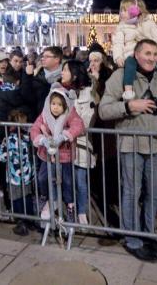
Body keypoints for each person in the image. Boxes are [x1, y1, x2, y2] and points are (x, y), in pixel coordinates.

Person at [98, 39, 157, 262]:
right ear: (136, 54)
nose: (151, 58)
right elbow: (104, 110)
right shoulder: (121, 76)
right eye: (146, 53)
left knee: (155, 192)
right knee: (132, 192)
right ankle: (133, 239)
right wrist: (128, 106)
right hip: (131, 142)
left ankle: (148, 234)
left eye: (154, 53)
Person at [29, 85, 85, 224]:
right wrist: (42, 139)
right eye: (53, 103)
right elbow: (34, 129)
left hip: (64, 156)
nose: (55, 107)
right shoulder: (44, 114)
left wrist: (64, 136)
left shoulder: (70, 113)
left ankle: (70, 206)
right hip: (47, 155)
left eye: (59, 105)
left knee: (66, 182)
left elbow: (78, 125)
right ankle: (46, 197)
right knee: (43, 177)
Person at [111, 0, 157, 103]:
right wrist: (118, 57)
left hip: (149, 55)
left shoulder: (148, 23)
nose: (121, 13)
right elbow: (118, 44)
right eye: (121, 10)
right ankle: (128, 91)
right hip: (131, 54)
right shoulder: (122, 26)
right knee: (130, 65)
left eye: (125, 10)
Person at [61, 60, 97, 225]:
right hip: (64, 144)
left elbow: (86, 122)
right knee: (66, 180)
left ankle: (82, 211)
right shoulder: (61, 91)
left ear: (74, 74)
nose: (62, 73)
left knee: (80, 180)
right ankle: (70, 208)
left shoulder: (87, 94)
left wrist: (68, 128)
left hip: (81, 143)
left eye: (65, 70)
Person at [0, 109, 36, 236]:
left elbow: (2, 158)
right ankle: (31, 220)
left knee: (17, 199)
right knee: (27, 197)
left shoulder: (10, 140)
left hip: (14, 176)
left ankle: (21, 223)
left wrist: (2, 146)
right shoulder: (28, 137)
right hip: (27, 175)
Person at [30, 46, 63, 118]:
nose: (42, 59)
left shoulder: (65, 77)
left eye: (47, 56)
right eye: (42, 56)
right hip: (40, 119)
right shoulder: (36, 76)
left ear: (57, 59)